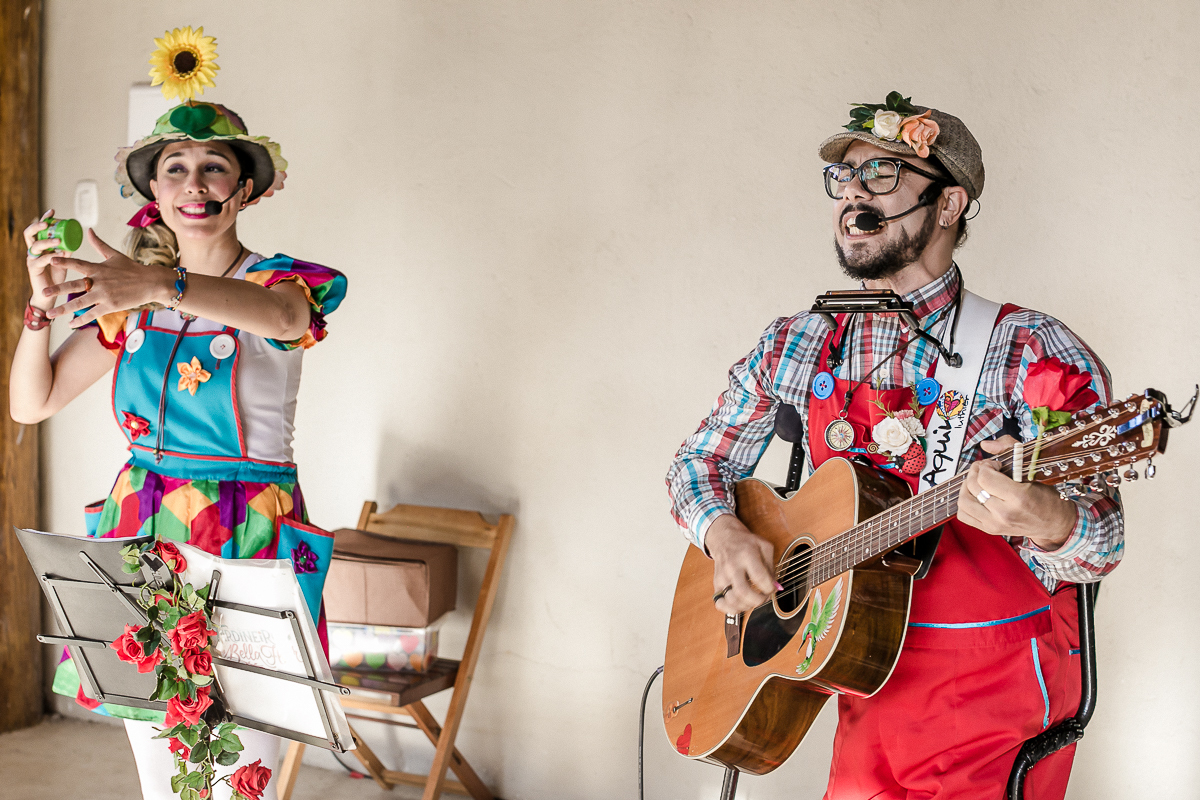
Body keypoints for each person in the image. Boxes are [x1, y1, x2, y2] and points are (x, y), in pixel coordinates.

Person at [665, 93, 1123, 799]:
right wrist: (725, 536)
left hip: (990, 678)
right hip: (861, 665)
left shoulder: (1033, 351)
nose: (853, 193)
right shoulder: (798, 342)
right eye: (845, 179)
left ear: (949, 205)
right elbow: (697, 467)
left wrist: (1045, 518)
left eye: (882, 174)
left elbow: (1103, 541)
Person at [10, 29, 346, 800]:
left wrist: (156, 284)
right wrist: (37, 305)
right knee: (159, 765)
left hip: (248, 531)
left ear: (247, 189)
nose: (195, 182)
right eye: (176, 169)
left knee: (240, 771)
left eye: (214, 167)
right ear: (154, 194)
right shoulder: (128, 303)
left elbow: (283, 320)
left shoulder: (285, 284)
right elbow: (33, 404)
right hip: (141, 534)